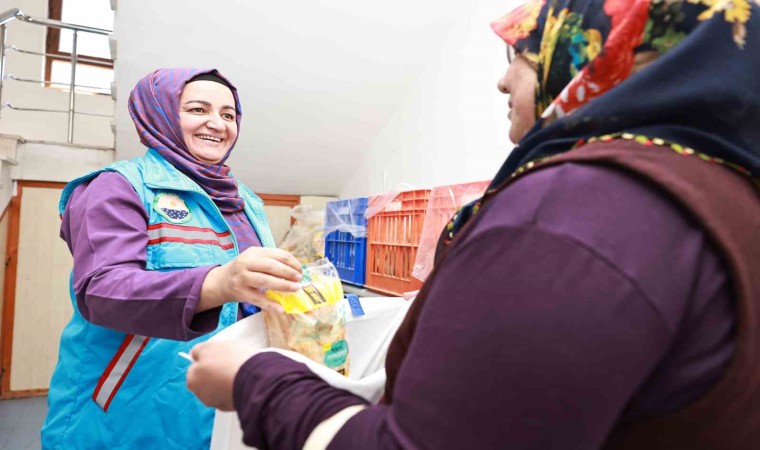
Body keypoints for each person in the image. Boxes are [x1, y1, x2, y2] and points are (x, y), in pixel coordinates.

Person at [187, 0, 760, 448]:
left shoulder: (574, 213)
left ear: (593, 54)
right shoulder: (721, 192)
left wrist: (253, 380)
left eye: (521, 56)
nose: (503, 81)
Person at [41, 68, 304, 450]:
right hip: (129, 413)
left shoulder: (243, 199)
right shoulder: (116, 187)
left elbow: (248, 295)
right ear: (160, 113)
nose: (217, 123)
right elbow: (102, 290)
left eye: (229, 115)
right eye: (198, 109)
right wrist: (219, 283)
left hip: (218, 402)